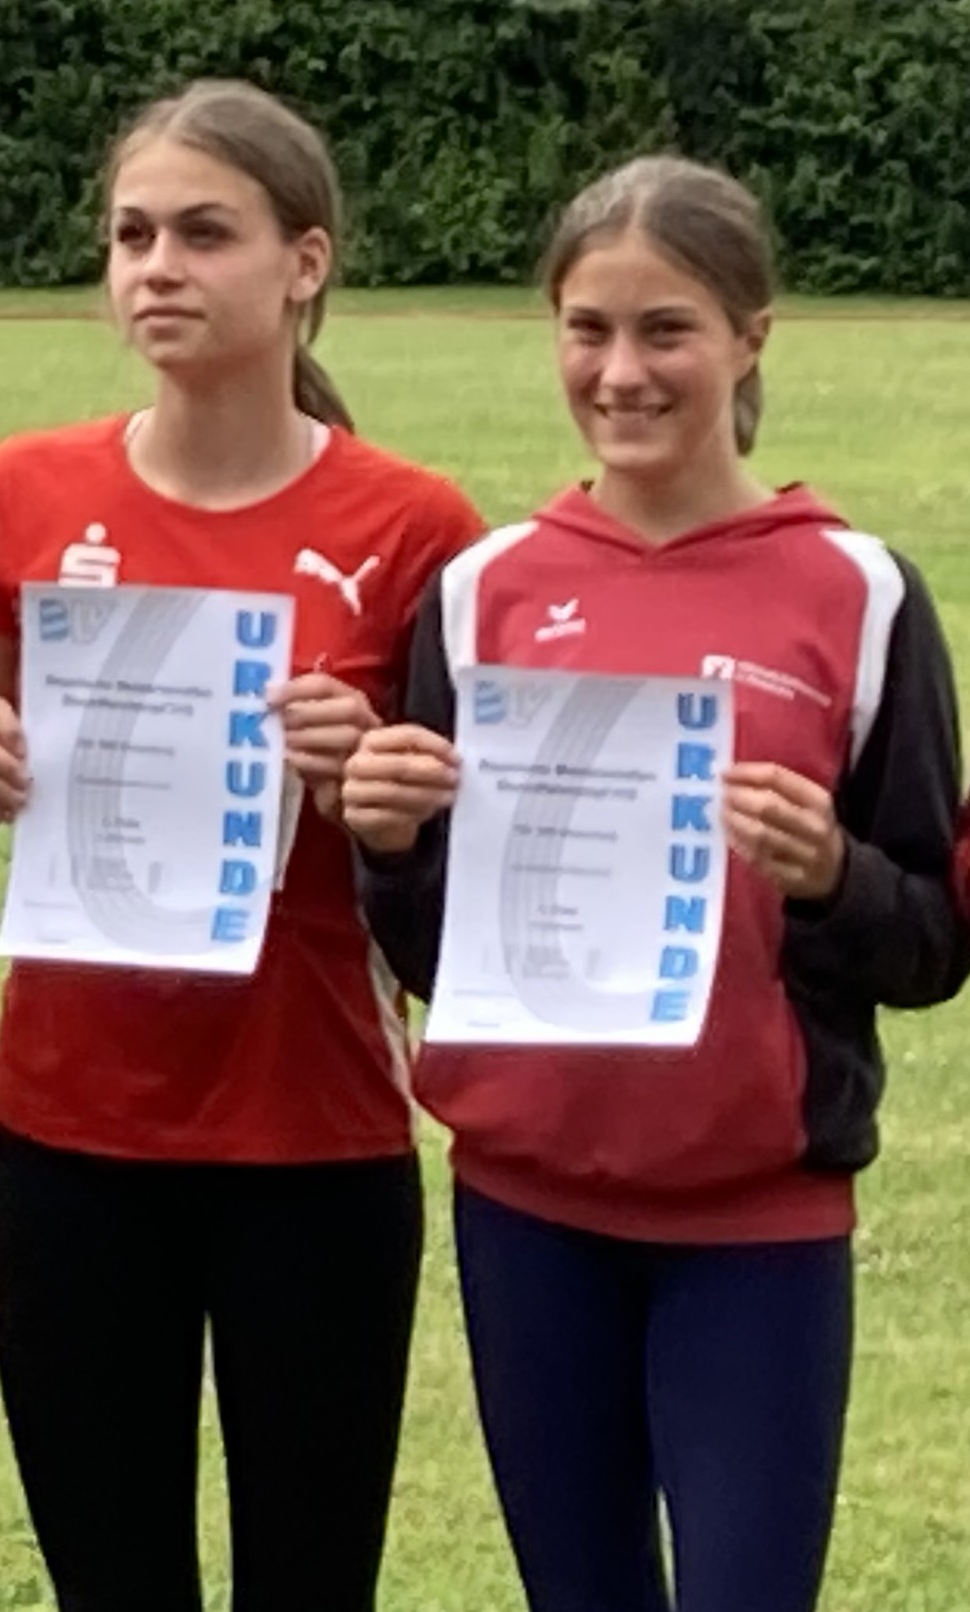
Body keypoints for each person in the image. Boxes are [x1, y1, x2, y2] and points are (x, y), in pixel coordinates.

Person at [343, 155, 969, 1612]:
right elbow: (441, 954)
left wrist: (833, 878)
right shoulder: (484, 591)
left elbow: (936, 941)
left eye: (666, 329)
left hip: (755, 1223)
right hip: (526, 1209)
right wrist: (391, 844)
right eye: (588, 329)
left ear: (751, 337)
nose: (621, 373)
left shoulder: (861, 593)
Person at [0, 77, 481, 1612]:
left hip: (316, 1133)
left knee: (311, 1583)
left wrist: (372, 777)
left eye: (204, 234)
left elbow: (457, 854)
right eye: (133, 235)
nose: (157, 268)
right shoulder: (26, 489)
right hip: (71, 1129)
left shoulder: (417, 525)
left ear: (306, 262)